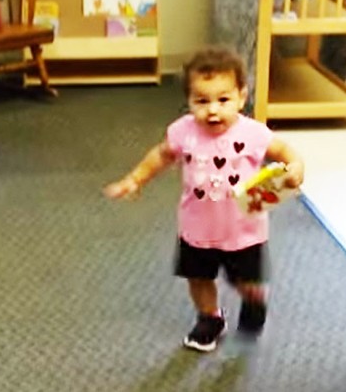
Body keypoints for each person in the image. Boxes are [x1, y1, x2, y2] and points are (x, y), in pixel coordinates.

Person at [103, 47, 305, 353]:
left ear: (241, 96)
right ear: (188, 101)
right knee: (198, 278)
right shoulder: (183, 132)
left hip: (244, 230)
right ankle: (210, 318)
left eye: (223, 100)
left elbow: (283, 152)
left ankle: (253, 299)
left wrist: (295, 168)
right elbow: (161, 155)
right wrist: (135, 179)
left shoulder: (253, 133)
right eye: (201, 101)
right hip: (197, 228)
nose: (212, 110)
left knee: (245, 281)